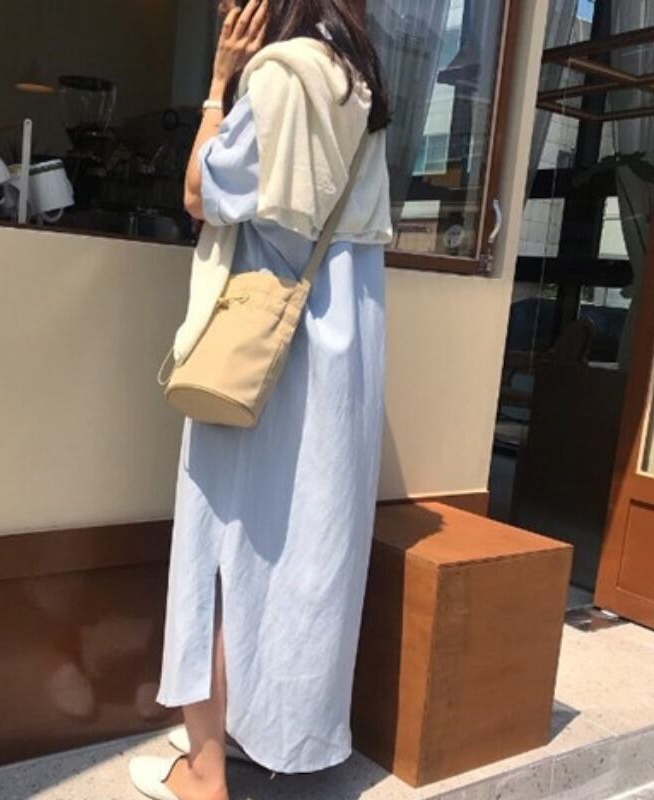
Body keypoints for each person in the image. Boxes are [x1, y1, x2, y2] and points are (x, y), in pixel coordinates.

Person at [129, 1, 392, 798]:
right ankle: (270, 733)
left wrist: (219, 84)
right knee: (303, 548)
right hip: (342, 348)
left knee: (217, 549)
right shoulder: (355, 80)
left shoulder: (278, 75)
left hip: (262, 349)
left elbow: (199, 192)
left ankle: (204, 771)